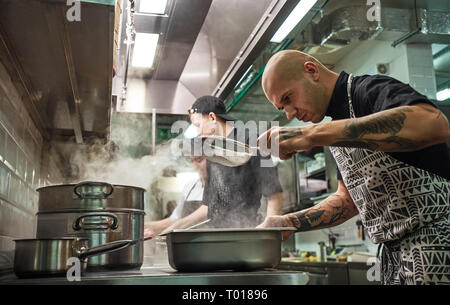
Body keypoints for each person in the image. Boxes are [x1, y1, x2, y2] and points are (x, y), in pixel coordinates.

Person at [257, 50, 450, 285]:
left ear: (311, 71)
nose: (290, 113)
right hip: (396, 259)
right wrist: (286, 222)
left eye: (288, 98)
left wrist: (310, 135)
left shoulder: (368, 90)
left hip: (438, 245)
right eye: (282, 108)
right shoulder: (336, 127)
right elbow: (347, 200)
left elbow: (433, 123)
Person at [163, 96, 284, 231]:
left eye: (198, 126)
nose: (198, 132)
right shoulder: (212, 152)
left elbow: (275, 195)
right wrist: (176, 228)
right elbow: (208, 206)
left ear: (212, 118)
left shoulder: (253, 141)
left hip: (246, 232)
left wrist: (267, 234)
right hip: (216, 234)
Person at [144, 155, 206, 237]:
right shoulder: (190, 186)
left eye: (199, 159)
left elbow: (203, 212)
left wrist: (164, 234)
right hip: (187, 243)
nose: (195, 165)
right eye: (192, 161)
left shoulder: (222, 186)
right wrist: (142, 226)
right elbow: (174, 219)